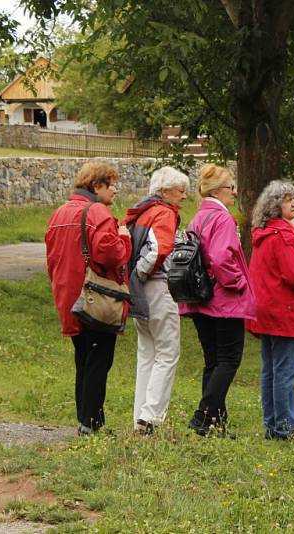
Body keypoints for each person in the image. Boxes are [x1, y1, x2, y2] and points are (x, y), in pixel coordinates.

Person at [45, 161, 132, 436]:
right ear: (97, 186)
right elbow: (110, 254)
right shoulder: (98, 212)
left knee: (83, 356)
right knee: (99, 358)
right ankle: (90, 423)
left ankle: (86, 419)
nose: (116, 190)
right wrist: (124, 239)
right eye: (112, 184)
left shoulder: (59, 213)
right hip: (95, 298)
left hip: (68, 296)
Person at [179, 164, 255, 437]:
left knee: (213, 360)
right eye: (230, 188)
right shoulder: (222, 219)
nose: (234, 193)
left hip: (200, 299)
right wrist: (239, 283)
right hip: (224, 300)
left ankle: (215, 422)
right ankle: (203, 415)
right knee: (229, 359)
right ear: (219, 191)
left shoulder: (198, 217)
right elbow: (222, 257)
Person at [246, 180, 294, 441]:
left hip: (265, 308)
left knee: (271, 370)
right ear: (276, 206)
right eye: (288, 200)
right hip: (284, 310)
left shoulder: (263, 234)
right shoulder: (284, 236)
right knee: (286, 371)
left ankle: (272, 424)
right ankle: (285, 428)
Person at [123, 166, 189, 435]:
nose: (184, 196)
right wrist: (142, 272)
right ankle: (150, 418)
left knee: (147, 353)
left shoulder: (142, 211)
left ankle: (140, 414)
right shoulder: (164, 212)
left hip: (139, 291)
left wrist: (136, 278)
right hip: (158, 287)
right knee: (167, 352)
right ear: (164, 192)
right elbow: (159, 249)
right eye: (180, 190)